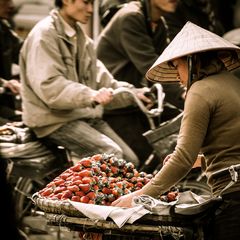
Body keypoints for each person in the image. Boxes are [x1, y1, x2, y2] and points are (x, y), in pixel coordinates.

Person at [112, 22, 240, 240]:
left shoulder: (199, 91)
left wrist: (141, 196)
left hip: (233, 196)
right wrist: (202, 160)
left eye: (176, 65)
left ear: (192, 62)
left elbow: (182, 158)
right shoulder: (234, 83)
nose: (178, 76)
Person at [19, 0, 152, 168]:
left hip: (83, 116)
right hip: (54, 120)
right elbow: (50, 86)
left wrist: (133, 93)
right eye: (86, 2)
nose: (90, 10)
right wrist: (90, 95)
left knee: (129, 161)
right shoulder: (44, 35)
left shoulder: (83, 40)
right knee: (111, 156)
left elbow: (104, 80)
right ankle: (84, 194)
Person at [96, 0, 185, 169]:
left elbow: (168, 62)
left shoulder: (158, 23)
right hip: (117, 102)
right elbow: (152, 66)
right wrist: (182, 93)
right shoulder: (131, 17)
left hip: (141, 100)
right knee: (142, 161)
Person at [0, 0, 22, 125]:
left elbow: (23, 53)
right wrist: (4, 83)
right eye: (5, 0)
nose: (11, 5)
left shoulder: (4, 27)